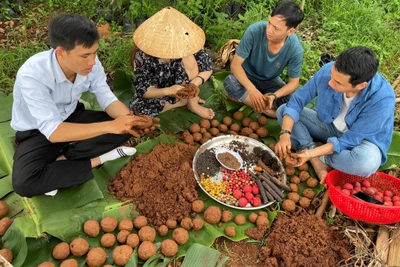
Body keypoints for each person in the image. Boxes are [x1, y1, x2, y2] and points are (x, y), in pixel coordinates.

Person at [11, 13, 152, 198]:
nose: (92, 61)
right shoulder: (33, 75)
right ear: (61, 52)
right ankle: (99, 159)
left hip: (72, 115)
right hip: (39, 131)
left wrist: (129, 120)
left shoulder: (91, 64)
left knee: (124, 127)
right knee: (24, 183)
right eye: (85, 55)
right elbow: (54, 132)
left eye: (95, 52)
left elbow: (105, 96)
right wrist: (111, 126)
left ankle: (64, 159)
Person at [274, 46, 396, 184]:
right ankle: (316, 152)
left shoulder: (382, 99)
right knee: (284, 110)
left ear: (360, 85)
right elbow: (297, 102)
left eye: (338, 83)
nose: (330, 82)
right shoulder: (330, 70)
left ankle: (314, 153)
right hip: (330, 127)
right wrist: (285, 134)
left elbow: (350, 140)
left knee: (366, 163)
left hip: (360, 143)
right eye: (332, 75)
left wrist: (310, 154)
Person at [129, 7, 215, 120]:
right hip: (159, 91)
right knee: (138, 108)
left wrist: (193, 85)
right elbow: (144, 90)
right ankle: (181, 102)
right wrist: (168, 91)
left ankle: (191, 102)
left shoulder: (187, 42)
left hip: (182, 85)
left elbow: (207, 68)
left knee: (189, 58)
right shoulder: (143, 56)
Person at [224, 0, 304, 118]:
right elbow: (235, 66)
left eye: (276, 28)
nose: (269, 30)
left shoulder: (295, 49)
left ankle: (254, 101)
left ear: (290, 31)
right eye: (269, 23)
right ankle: (268, 111)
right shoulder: (254, 31)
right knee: (230, 83)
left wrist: (274, 96)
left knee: (294, 98)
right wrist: (252, 90)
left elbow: (293, 83)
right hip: (246, 76)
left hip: (270, 82)